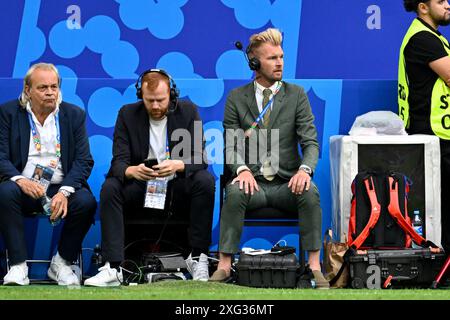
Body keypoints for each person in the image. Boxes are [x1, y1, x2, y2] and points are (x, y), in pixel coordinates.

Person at [211, 28, 329, 288]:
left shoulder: (297, 94)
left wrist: (305, 170)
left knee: (310, 192)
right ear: (254, 63)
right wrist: (240, 169)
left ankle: (314, 267)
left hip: (287, 183)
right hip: (252, 182)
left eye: (281, 57)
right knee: (234, 191)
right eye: (272, 58)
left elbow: (310, 142)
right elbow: (230, 144)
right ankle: (224, 265)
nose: (279, 63)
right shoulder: (235, 98)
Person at [84, 69, 215, 286]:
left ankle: (198, 257)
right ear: (140, 96)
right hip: (141, 186)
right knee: (110, 187)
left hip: (176, 186)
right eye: (149, 100)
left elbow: (201, 158)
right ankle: (113, 267)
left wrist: (178, 164)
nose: (155, 106)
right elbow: (118, 161)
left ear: (171, 95)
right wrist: (131, 171)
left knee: (205, 181)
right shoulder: (127, 114)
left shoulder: (189, 111)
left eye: (160, 100)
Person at [0, 63, 97, 286]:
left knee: (85, 201)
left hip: (59, 187)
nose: (50, 92)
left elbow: (84, 161)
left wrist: (64, 192)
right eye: (43, 87)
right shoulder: (7, 113)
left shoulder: (74, 115)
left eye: (54, 87)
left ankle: (61, 263)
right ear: (27, 89)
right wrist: (20, 180)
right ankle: (17, 267)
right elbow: (1, 158)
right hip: (22, 188)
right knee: (4, 192)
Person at [399, 0, 450, 253]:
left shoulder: (433, 37)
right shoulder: (423, 39)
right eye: (441, 1)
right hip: (434, 135)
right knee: (441, 207)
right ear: (423, 7)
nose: (448, 5)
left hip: (440, 133)